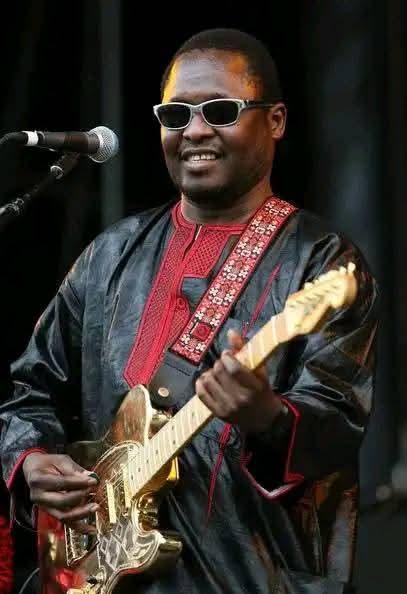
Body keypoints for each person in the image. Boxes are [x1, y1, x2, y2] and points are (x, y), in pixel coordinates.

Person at [0, 28, 378, 594]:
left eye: (221, 111)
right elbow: (31, 389)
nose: (196, 130)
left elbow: (337, 427)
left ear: (275, 121)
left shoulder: (321, 261)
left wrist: (267, 417)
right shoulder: (109, 255)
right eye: (176, 115)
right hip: (102, 571)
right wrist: (31, 460)